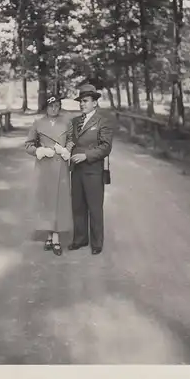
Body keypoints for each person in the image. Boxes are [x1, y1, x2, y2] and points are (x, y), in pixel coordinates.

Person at [25, 93, 74, 256]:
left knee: (59, 200)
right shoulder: (38, 123)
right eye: (52, 106)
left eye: (58, 106)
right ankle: (48, 235)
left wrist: (67, 150)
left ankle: (56, 238)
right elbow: (28, 145)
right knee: (46, 199)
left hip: (60, 166)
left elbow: (72, 139)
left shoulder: (66, 122)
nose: (55, 108)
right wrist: (39, 150)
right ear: (46, 107)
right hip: (45, 165)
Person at [69, 84, 114, 255]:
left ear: (95, 103)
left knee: (94, 207)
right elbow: (70, 142)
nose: (82, 104)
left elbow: (106, 147)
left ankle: (97, 243)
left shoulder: (103, 122)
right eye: (81, 101)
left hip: (93, 170)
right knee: (78, 206)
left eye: (86, 101)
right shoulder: (75, 122)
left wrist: (86, 155)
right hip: (76, 170)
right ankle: (80, 239)